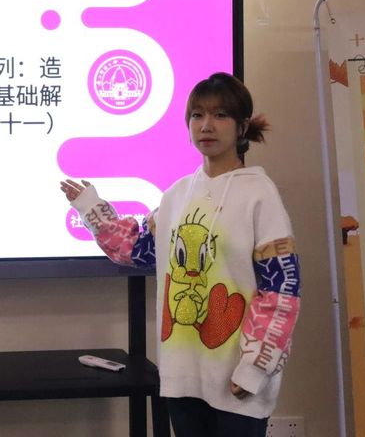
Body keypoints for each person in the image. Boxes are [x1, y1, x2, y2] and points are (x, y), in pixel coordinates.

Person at [60, 72, 300, 437]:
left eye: (220, 115)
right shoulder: (177, 194)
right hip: (182, 378)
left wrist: (254, 368)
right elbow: (136, 249)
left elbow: (281, 290)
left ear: (242, 127)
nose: (206, 125)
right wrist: (91, 207)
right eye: (197, 115)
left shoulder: (259, 194)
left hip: (238, 380)